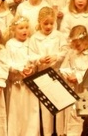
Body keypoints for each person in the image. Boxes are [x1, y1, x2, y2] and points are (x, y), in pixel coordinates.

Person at [28, 7, 66, 136]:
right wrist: (40, 59)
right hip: (42, 76)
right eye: (45, 23)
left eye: (51, 23)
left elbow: (65, 51)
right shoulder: (34, 38)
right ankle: (48, 133)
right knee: (46, 108)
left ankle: (60, 133)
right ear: (39, 22)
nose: (49, 26)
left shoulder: (59, 36)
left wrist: (56, 57)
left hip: (57, 74)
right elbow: (31, 55)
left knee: (60, 106)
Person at [60, 25, 88, 136]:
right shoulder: (72, 52)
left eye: (78, 44)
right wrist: (68, 75)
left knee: (87, 123)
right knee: (73, 122)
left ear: (85, 40)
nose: (75, 47)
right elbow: (64, 68)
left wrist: (78, 77)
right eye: (73, 44)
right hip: (74, 90)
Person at [6, 16, 39, 136]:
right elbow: (7, 62)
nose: (24, 30)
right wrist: (19, 69)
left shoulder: (31, 42)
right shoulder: (10, 44)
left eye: (26, 27)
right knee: (17, 111)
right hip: (16, 84)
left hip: (30, 84)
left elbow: (35, 58)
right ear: (14, 30)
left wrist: (32, 68)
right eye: (21, 28)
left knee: (30, 111)